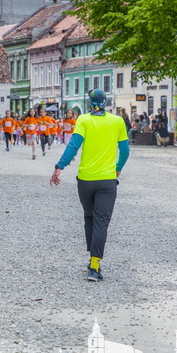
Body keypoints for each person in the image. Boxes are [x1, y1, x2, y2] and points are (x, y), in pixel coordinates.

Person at [49, 89, 130, 282]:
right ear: (105, 102)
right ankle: (94, 266)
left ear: (90, 102)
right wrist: (118, 168)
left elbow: (73, 146)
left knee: (89, 217)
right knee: (101, 221)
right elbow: (125, 151)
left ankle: (92, 258)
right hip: (107, 180)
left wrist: (59, 167)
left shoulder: (83, 120)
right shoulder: (117, 121)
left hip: (85, 180)